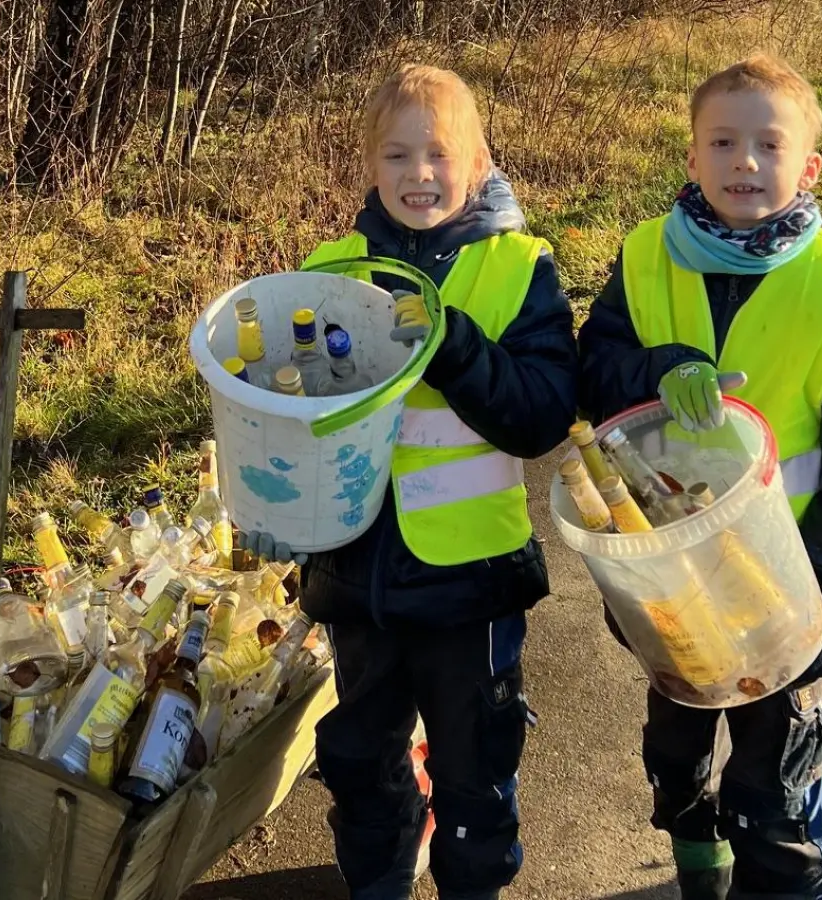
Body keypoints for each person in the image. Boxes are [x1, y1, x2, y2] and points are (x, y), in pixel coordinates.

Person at [574, 55, 822, 900]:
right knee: (675, 757)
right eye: (722, 142)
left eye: (767, 145)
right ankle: (698, 859)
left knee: (778, 794)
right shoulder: (646, 256)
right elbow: (594, 369)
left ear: (806, 166)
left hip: (786, 597)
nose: (743, 161)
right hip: (671, 592)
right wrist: (653, 369)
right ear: (691, 158)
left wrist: (815, 591)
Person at [241, 64, 576, 900]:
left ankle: (473, 886)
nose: (417, 174)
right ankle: (378, 881)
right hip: (354, 574)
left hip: (470, 582)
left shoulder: (517, 268)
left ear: (477, 160)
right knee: (357, 759)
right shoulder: (327, 271)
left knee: (475, 765)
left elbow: (539, 417)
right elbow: (281, 407)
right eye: (396, 155)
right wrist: (265, 495)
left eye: (437, 154)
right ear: (368, 164)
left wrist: (454, 344)